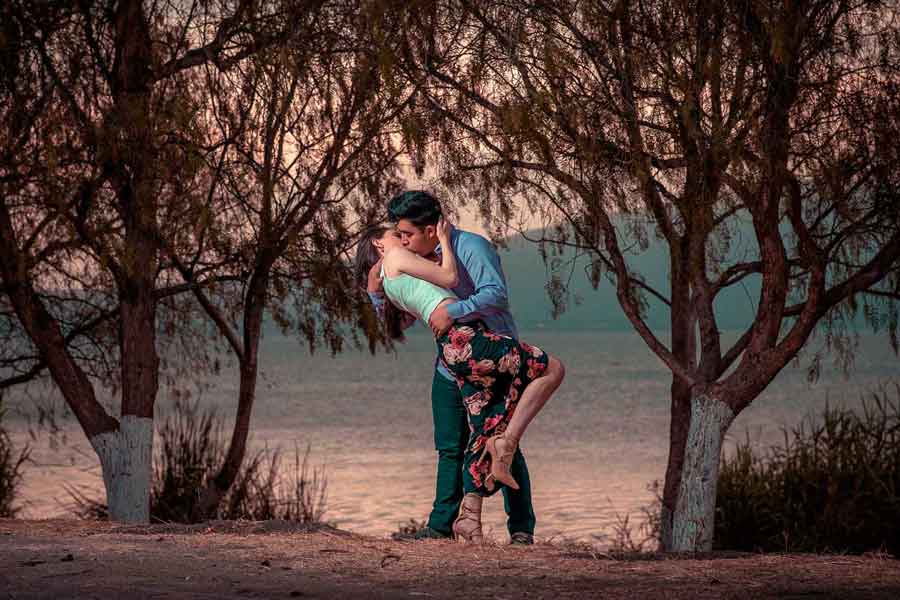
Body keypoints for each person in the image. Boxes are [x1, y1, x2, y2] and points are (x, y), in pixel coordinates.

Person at [356, 196, 564, 543]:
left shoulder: (470, 246)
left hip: (489, 351)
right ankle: (440, 528)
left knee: (499, 438)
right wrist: (377, 295)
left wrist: (454, 311)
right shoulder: (412, 256)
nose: (403, 241)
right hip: (451, 360)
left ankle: (521, 530)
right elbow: (406, 319)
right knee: (450, 444)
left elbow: (495, 293)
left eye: (407, 234)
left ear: (429, 229)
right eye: (399, 236)